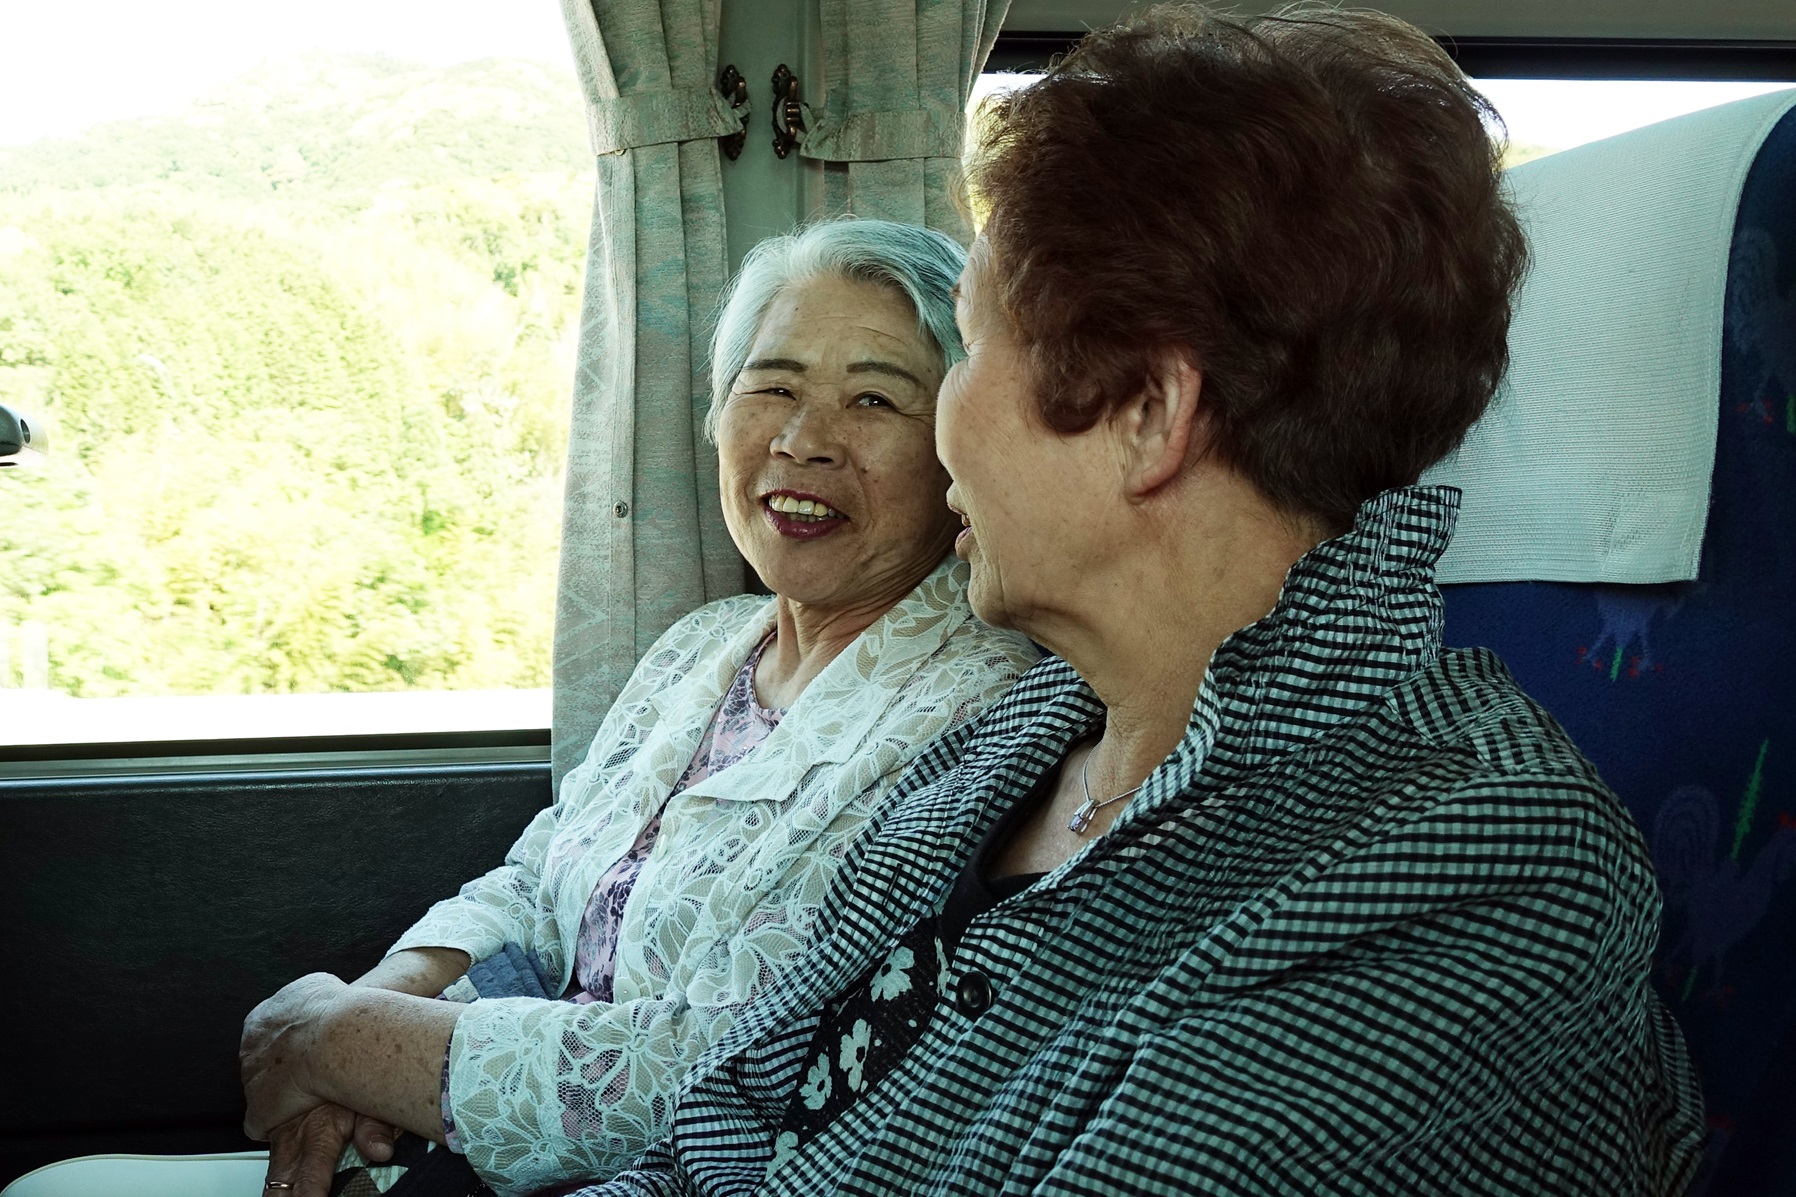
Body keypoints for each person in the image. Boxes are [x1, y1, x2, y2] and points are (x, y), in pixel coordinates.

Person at [573, 7, 1708, 1196]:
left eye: (968, 345)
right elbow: (711, 1142)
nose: (941, 422)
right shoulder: (1011, 747)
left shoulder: (1470, 879)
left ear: (1146, 417)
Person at [5, 220, 1037, 1197]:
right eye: (771, 386)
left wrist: (347, 1041)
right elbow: (543, 885)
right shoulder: (702, 647)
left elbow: (744, 1070)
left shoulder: (982, 714)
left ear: (956, 444)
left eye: (873, 400)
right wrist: (376, 1012)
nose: (804, 440)